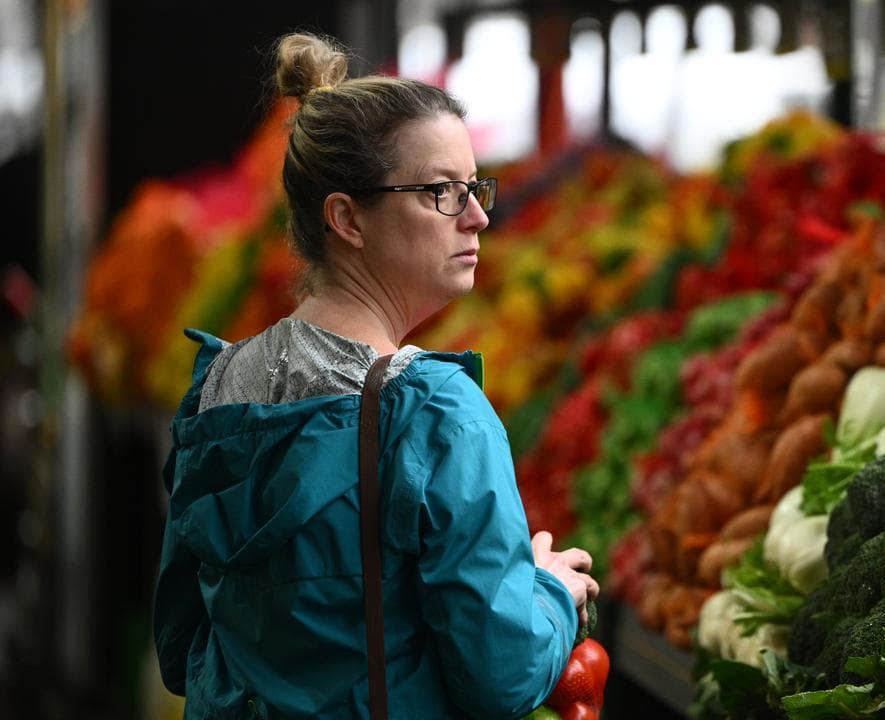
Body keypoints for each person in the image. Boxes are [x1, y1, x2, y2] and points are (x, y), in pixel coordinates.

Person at [152, 31, 599, 719]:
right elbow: (502, 676)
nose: (479, 215)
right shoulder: (434, 412)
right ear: (346, 218)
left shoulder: (215, 390)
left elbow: (181, 645)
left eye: (474, 187)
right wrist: (544, 593)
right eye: (441, 192)